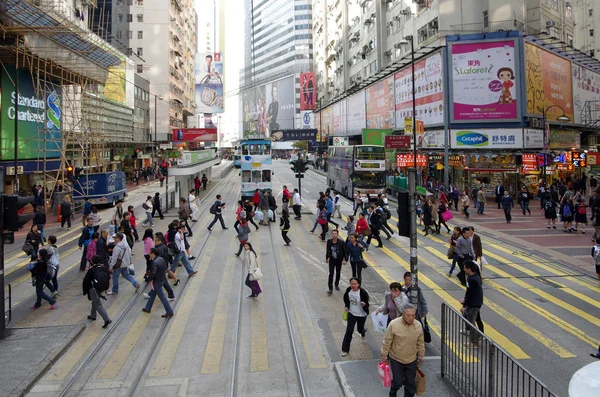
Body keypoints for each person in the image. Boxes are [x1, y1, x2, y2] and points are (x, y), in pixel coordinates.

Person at [381, 304, 425, 397]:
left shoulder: (418, 325)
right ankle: (393, 391)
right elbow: (387, 340)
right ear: (402, 314)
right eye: (408, 315)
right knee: (397, 382)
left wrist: (421, 355)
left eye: (413, 315)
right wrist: (384, 354)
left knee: (410, 384)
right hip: (396, 359)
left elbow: (420, 342)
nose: (411, 318)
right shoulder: (393, 324)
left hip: (411, 359)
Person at [142, 248, 174, 318]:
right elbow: (165, 267)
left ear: (153, 254)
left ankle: (169, 311)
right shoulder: (161, 259)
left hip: (157, 282)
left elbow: (153, 273)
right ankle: (148, 308)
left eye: (150, 253)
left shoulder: (154, 262)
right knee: (153, 294)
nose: (149, 254)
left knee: (162, 297)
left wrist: (148, 278)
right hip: (162, 279)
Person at [341, 277, 369, 357]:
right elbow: (345, 298)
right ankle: (345, 349)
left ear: (358, 284)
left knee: (359, 329)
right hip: (351, 314)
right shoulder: (348, 290)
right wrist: (346, 306)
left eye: (355, 284)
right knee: (349, 331)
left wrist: (364, 304)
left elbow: (367, 302)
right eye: (352, 284)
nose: (353, 285)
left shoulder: (362, 292)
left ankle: (362, 332)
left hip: (361, 315)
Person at [82, 255, 112, 328]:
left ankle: (106, 319)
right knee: (95, 301)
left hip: (93, 289)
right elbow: (109, 276)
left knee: (97, 304)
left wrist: (85, 291)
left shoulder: (91, 270)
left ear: (92, 261)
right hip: (101, 287)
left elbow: (86, 281)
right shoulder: (104, 268)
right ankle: (93, 315)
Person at [461, 261, 484, 347]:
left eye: (465, 268)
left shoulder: (472, 279)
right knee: (468, 318)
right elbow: (468, 292)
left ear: (469, 269)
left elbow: (470, 293)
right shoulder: (474, 277)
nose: (463, 269)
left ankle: (474, 341)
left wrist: (465, 303)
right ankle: (476, 337)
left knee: (471, 322)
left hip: (474, 304)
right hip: (474, 303)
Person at [326, 229, 347, 295]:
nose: (334, 235)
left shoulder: (341, 242)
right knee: (331, 273)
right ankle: (330, 288)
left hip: (339, 260)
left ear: (337, 235)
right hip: (332, 260)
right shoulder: (329, 241)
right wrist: (327, 258)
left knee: (338, 272)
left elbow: (345, 251)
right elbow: (328, 249)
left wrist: (345, 260)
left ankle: (336, 284)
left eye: (335, 234)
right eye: (333, 233)